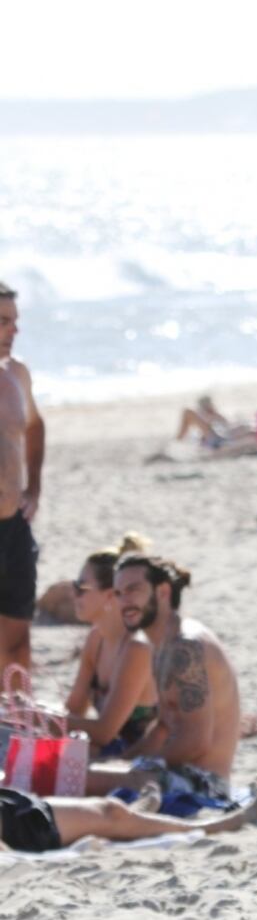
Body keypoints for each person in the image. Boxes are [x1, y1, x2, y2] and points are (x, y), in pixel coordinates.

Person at [85, 554, 241, 802]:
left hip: (205, 785)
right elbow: (163, 729)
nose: (125, 601)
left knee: (77, 779)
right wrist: (121, 761)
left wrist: (138, 765)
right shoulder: (162, 645)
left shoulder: (184, 647)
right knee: (83, 770)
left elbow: (196, 742)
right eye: (119, 593)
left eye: (133, 590)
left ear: (163, 592)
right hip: (180, 773)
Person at [65, 533, 158, 756]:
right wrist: (30, 710)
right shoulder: (96, 639)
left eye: (81, 587)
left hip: (143, 763)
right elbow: (74, 709)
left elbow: (105, 731)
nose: (73, 593)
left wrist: (44, 718)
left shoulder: (138, 647)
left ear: (108, 596)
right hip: (112, 754)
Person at [0, 785, 257, 853]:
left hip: (13, 808)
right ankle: (219, 825)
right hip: (20, 826)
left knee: (109, 810)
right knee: (110, 812)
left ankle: (134, 817)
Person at [0, 282, 45, 679]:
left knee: (17, 639)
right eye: (3, 322)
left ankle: (12, 728)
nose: (13, 331)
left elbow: (34, 427)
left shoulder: (16, 375)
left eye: (14, 321)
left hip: (13, 526)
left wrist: (34, 488)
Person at [175, 395, 257, 455]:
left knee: (187, 412)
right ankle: (178, 440)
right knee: (187, 413)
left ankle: (177, 440)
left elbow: (228, 432)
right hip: (216, 438)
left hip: (217, 439)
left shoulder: (216, 416)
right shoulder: (217, 416)